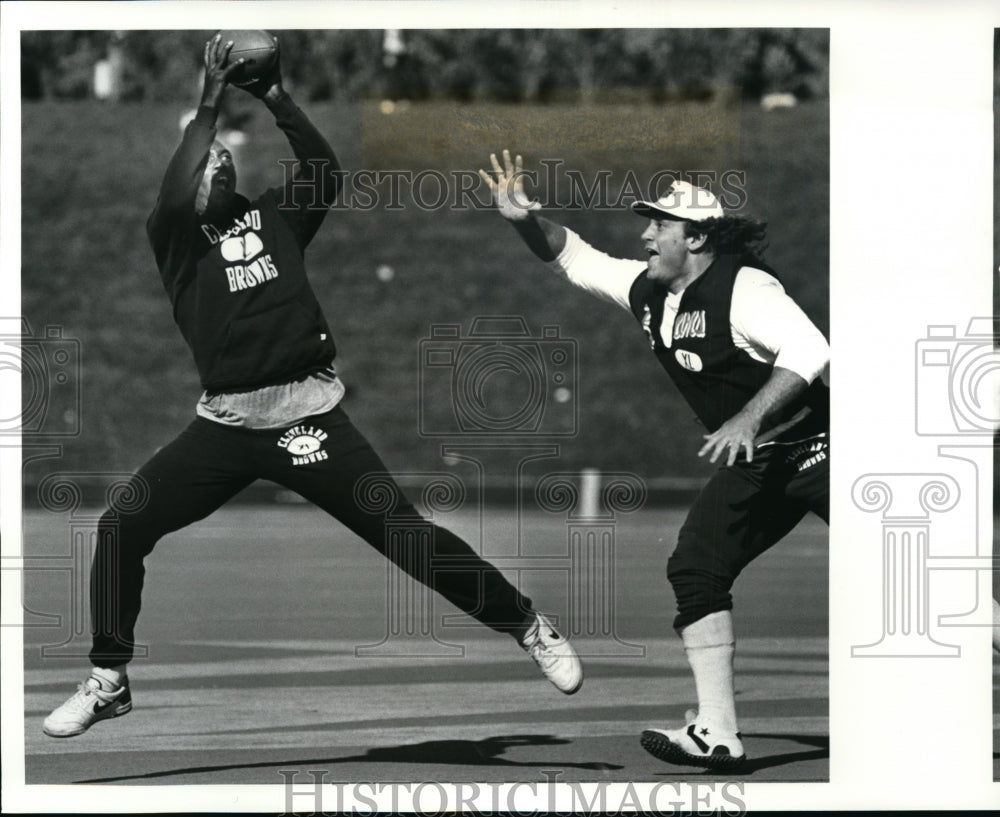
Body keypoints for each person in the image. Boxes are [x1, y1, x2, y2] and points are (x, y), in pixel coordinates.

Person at [42, 39, 582, 739]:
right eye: (201, 154)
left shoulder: (272, 217)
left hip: (309, 416)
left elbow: (324, 170)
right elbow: (178, 184)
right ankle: (109, 677)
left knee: (404, 535)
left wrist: (273, 94)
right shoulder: (173, 235)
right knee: (122, 525)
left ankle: (526, 623)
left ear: (231, 168)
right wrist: (210, 96)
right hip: (229, 425)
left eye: (218, 154)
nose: (211, 160)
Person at [479, 150, 829, 770]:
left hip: (828, 450)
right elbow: (575, 257)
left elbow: (810, 347)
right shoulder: (648, 289)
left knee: (920, 583)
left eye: (660, 225)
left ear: (695, 237)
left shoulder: (745, 287)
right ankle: (718, 732)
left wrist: (747, 417)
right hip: (759, 464)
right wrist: (523, 221)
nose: (645, 234)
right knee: (695, 569)